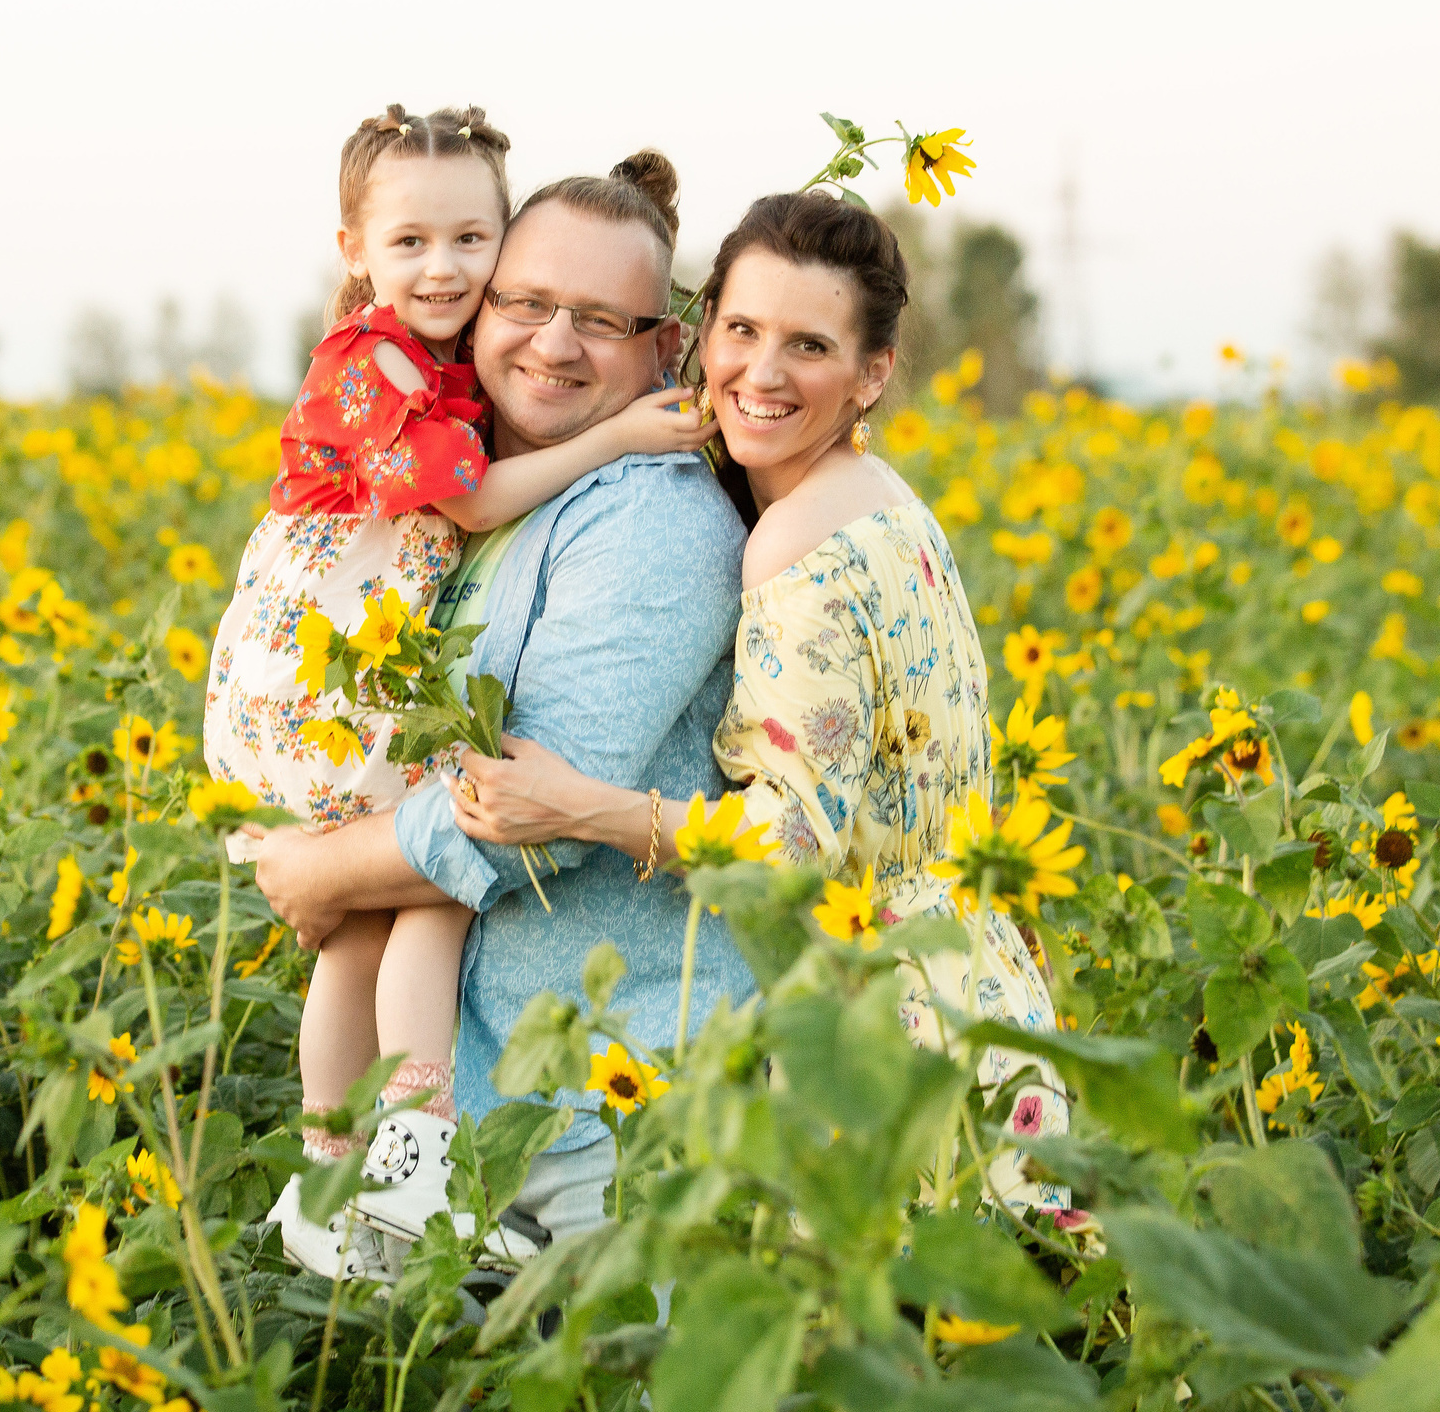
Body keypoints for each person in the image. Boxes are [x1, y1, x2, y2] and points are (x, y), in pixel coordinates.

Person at [452, 189, 1074, 1212]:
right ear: (701, 334)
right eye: (741, 329)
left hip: (878, 1029)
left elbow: (792, 846)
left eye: (809, 345)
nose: (762, 371)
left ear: (872, 372)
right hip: (976, 986)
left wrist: (579, 807)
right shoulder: (890, 506)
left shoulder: (796, 546)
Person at [205, 108, 709, 1278]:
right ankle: (351, 1177)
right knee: (394, 918)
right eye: (525, 304)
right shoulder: (434, 410)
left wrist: (321, 867)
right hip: (331, 677)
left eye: (598, 318)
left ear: (665, 347)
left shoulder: (644, 519)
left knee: (406, 903)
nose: (547, 339)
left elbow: (510, 818)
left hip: (582, 1128)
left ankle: (362, 1173)